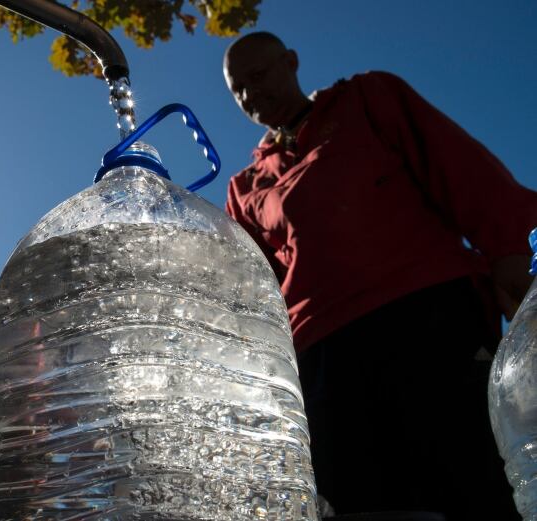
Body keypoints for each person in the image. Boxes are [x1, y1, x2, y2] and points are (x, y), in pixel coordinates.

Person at [222, 31, 537, 520]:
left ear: (290, 61)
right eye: (237, 89)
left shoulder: (367, 98)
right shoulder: (245, 189)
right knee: (357, 500)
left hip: (427, 315)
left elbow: (459, 166)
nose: (249, 94)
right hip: (323, 356)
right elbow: (252, 291)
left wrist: (513, 246)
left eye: (258, 76)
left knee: (472, 477)